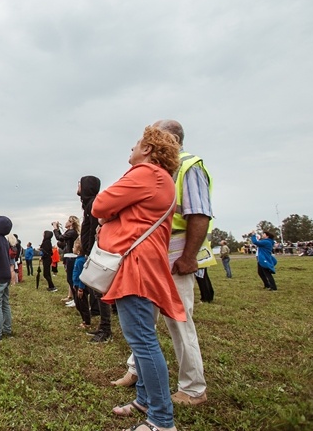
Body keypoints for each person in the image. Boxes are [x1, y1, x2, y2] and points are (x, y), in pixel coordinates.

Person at [113, 120, 214, 406]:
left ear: (166, 138)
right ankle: (136, 371)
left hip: (175, 255)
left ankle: (193, 388)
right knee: (144, 320)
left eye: (150, 134)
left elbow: (199, 215)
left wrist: (188, 257)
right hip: (151, 255)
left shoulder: (188, 166)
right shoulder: (153, 170)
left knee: (179, 321)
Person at [94, 125, 185, 431]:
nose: (130, 150)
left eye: (135, 144)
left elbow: (100, 205)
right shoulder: (163, 180)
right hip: (145, 264)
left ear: (147, 149)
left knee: (143, 341)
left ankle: (161, 420)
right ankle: (145, 400)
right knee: (142, 339)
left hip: (136, 267)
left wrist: (111, 216)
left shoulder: (146, 173)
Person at [78, 175, 111, 343]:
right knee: (97, 292)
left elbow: (93, 231)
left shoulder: (93, 204)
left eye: (80, 184)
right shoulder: (88, 204)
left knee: (100, 292)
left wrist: (91, 252)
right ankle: (103, 326)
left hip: (95, 253)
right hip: (91, 252)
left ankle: (106, 329)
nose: (77, 186)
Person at [54, 216, 80, 305]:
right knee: (71, 279)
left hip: (71, 257)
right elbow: (62, 238)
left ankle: (77, 300)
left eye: (68, 221)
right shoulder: (71, 232)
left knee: (71, 279)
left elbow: (60, 238)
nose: (66, 222)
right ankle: (74, 299)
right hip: (70, 256)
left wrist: (55, 228)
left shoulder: (72, 232)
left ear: (71, 223)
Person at [71, 239, 91, 329]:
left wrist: (80, 288)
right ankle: (84, 320)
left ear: (78, 251)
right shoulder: (78, 259)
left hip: (80, 287)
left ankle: (87, 322)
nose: (72, 248)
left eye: (74, 247)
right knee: (78, 304)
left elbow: (82, 276)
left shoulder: (80, 261)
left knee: (83, 305)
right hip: (76, 285)